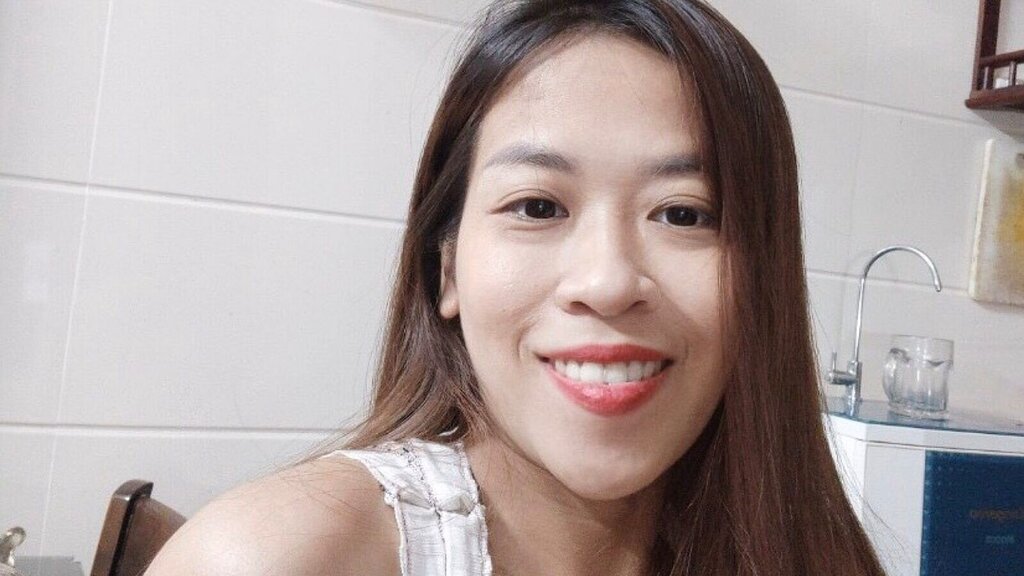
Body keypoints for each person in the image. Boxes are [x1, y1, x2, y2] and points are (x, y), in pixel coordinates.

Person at [145, 1, 887, 574]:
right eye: (537, 207)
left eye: (683, 214)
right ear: (447, 269)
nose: (607, 282)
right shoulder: (280, 557)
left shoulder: (808, 554)